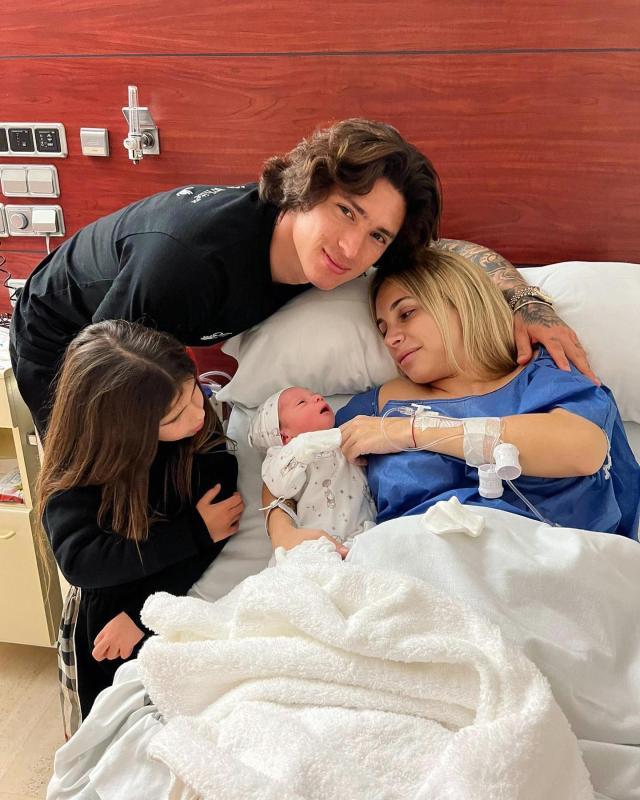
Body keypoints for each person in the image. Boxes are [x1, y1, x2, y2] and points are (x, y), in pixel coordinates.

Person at [10, 118, 593, 437]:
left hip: (146, 324)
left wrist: (527, 305)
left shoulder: (349, 249)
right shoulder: (188, 265)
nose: (352, 249)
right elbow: (104, 382)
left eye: (378, 236)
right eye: (346, 211)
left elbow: (453, 254)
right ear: (307, 188)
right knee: (100, 482)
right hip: (64, 334)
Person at [332, 249, 640, 537]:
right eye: (383, 329)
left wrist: (413, 432)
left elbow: (583, 449)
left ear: (462, 302)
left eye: (407, 313)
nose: (391, 339)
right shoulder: (377, 407)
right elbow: (304, 461)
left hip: (556, 565)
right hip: (418, 563)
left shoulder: (544, 374)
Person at [37, 320, 244, 730]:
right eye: (174, 417)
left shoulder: (201, 438)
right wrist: (192, 532)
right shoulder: (81, 473)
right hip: (105, 624)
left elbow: (214, 537)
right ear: (122, 433)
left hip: (163, 607)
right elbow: (82, 562)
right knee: (109, 730)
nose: (198, 414)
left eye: (194, 391)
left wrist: (141, 614)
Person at [249, 387, 375, 556]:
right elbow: (278, 486)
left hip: (363, 538)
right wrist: (312, 442)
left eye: (314, 394)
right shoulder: (286, 455)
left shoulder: (344, 440)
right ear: (285, 436)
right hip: (316, 545)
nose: (318, 397)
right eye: (302, 402)